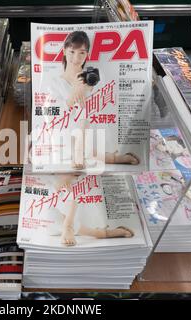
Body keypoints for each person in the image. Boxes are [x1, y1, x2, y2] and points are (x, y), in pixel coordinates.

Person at [48, 31, 140, 170]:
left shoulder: (93, 76)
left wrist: (87, 90)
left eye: (82, 53)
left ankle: (94, 156)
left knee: (85, 115)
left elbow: (102, 108)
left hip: (92, 130)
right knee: (79, 119)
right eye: (72, 51)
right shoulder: (54, 83)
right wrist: (74, 94)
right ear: (64, 51)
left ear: (87, 55)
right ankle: (109, 158)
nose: (76, 58)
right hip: (67, 133)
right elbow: (55, 116)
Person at [44, 174, 134, 247]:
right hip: (56, 223)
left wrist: (69, 177)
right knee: (50, 216)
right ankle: (96, 233)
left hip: (80, 219)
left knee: (72, 188)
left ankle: (69, 227)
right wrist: (60, 182)